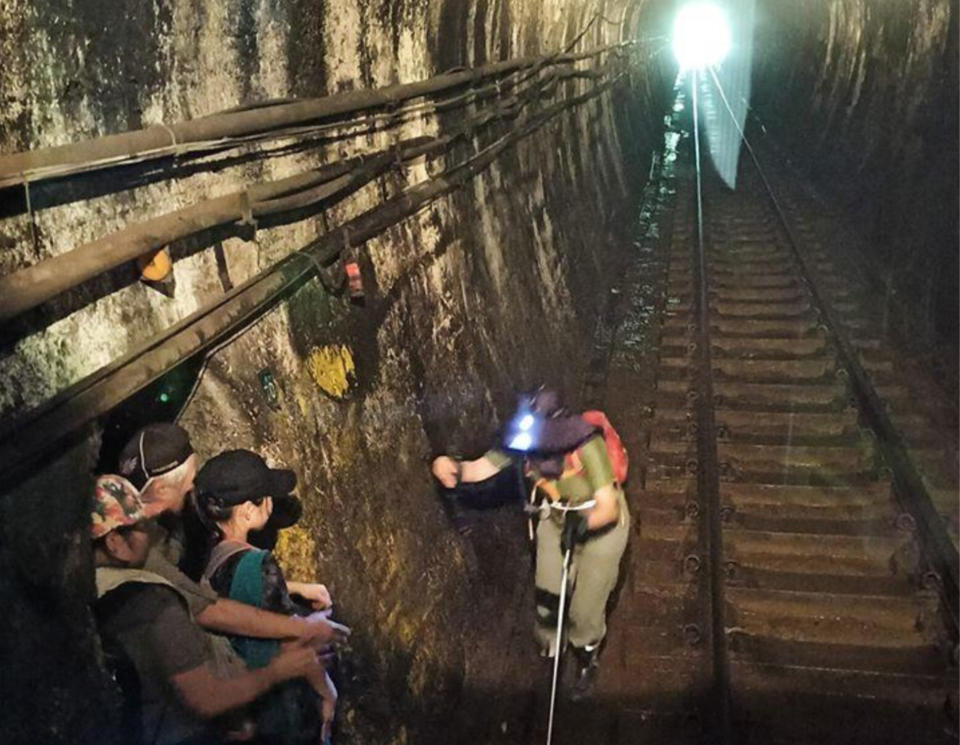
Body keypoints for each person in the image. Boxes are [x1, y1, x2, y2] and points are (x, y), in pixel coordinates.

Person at [91, 473, 329, 745]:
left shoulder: (94, 590)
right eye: (142, 526)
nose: (152, 532)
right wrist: (278, 671)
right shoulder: (152, 602)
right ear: (115, 543)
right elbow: (207, 699)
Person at [431, 388, 629, 699]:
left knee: (586, 608)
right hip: (555, 517)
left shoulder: (585, 445)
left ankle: (586, 656)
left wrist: (581, 526)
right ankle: (552, 646)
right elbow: (481, 468)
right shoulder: (525, 442)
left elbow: (608, 507)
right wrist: (453, 468)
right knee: (548, 592)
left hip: (599, 529)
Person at [115, 422, 349, 648]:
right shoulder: (138, 549)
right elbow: (209, 610)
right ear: (161, 489)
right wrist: (304, 628)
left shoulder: (165, 524)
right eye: (189, 482)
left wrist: (291, 587)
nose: (192, 489)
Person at [193, 449, 338, 745]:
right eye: (267, 496)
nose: (272, 502)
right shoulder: (259, 565)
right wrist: (328, 694)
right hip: (279, 716)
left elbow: (237, 591)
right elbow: (295, 645)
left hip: (243, 708)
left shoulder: (207, 557)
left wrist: (294, 587)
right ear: (247, 511)